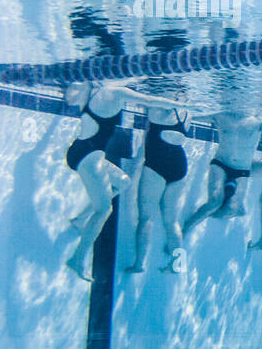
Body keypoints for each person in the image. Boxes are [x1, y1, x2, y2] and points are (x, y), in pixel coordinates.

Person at [63, 82, 186, 282]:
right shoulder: (116, 91)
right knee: (104, 210)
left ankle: (79, 220)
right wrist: (186, 107)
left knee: (123, 182)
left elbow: (72, 98)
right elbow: (149, 100)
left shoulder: (92, 89)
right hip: (91, 158)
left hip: (84, 150)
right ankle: (77, 259)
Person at [182, 112, 262, 241]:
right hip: (220, 164)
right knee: (214, 202)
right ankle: (185, 229)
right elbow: (191, 116)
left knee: (229, 211)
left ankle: (235, 204)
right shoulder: (221, 115)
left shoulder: (261, 120)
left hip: (242, 170)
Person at [124, 102, 200, 274]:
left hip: (156, 165)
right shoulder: (186, 111)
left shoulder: (157, 107)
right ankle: (176, 264)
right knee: (171, 221)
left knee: (146, 218)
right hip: (179, 165)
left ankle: (139, 264)